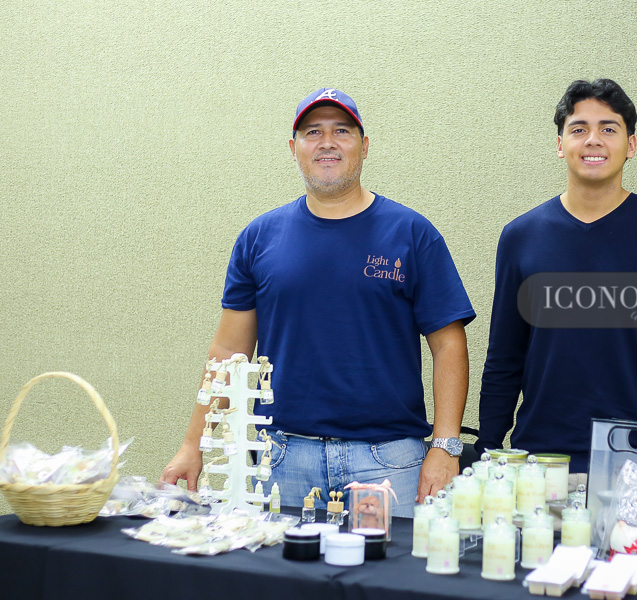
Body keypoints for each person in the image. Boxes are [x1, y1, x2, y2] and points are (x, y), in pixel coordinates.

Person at [161, 88, 475, 517]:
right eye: (313, 132)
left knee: (392, 563)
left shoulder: (412, 234)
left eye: (341, 131)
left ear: (364, 146)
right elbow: (229, 352)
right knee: (283, 563)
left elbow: (449, 345)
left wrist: (445, 446)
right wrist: (193, 443)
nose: (327, 142)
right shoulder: (259, 237)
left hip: (389, 460)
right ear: (294, 149)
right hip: (284, 458)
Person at [477, 78, 637, 482]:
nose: (593, 140)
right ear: (560, 144)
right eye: (579, 129)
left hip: (636, 462)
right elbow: (504, 357)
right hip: (541, 461)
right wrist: (489, 447)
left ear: (631, 145)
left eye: (608, 128)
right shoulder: (521, 237)